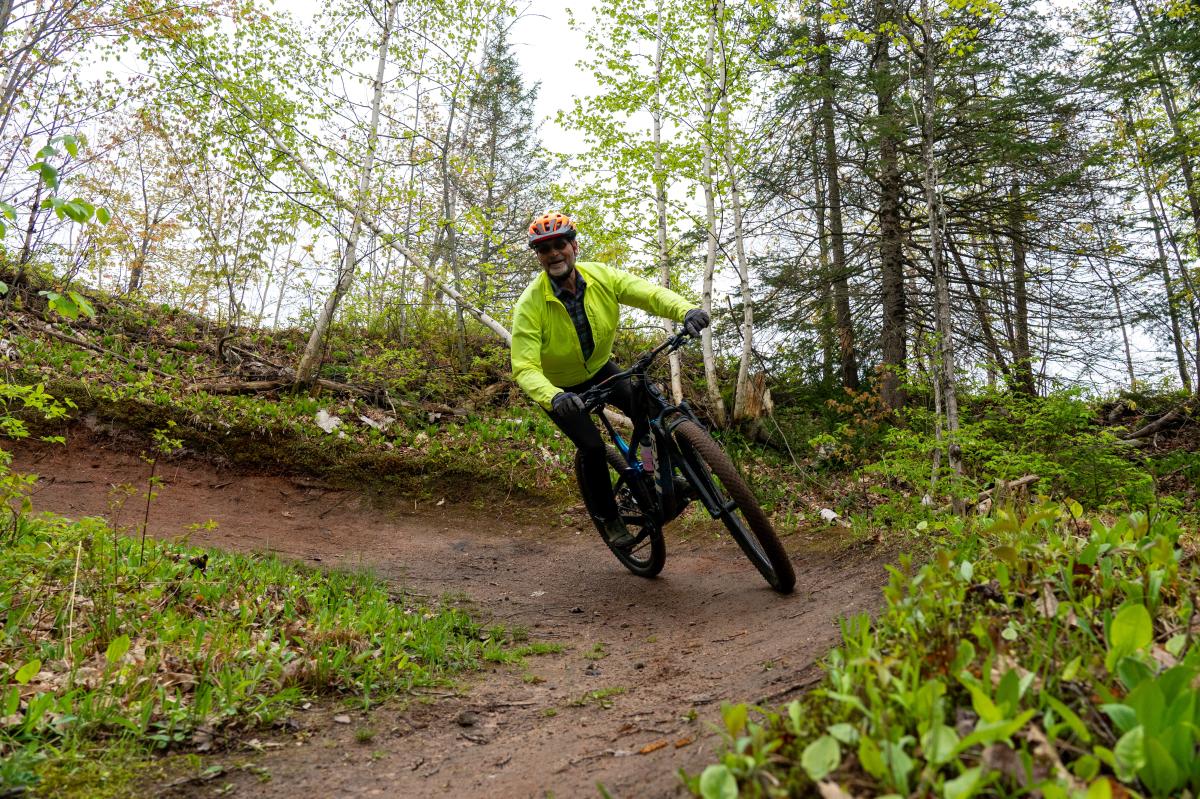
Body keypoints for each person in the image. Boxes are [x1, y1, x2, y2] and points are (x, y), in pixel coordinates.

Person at [510, 211, 710, 548]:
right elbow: (525, 367)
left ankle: (654, 473)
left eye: (560, 245)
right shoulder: (530, 304)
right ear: (539, 257)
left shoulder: (600, 277)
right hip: (558, 387)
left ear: (574, 246)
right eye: (545, 250)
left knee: (646, 405)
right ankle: (609, 517)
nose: (554, 254)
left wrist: (685, 310)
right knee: (590, 447)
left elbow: (647, 293)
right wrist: (555, 397)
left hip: (600, 369)